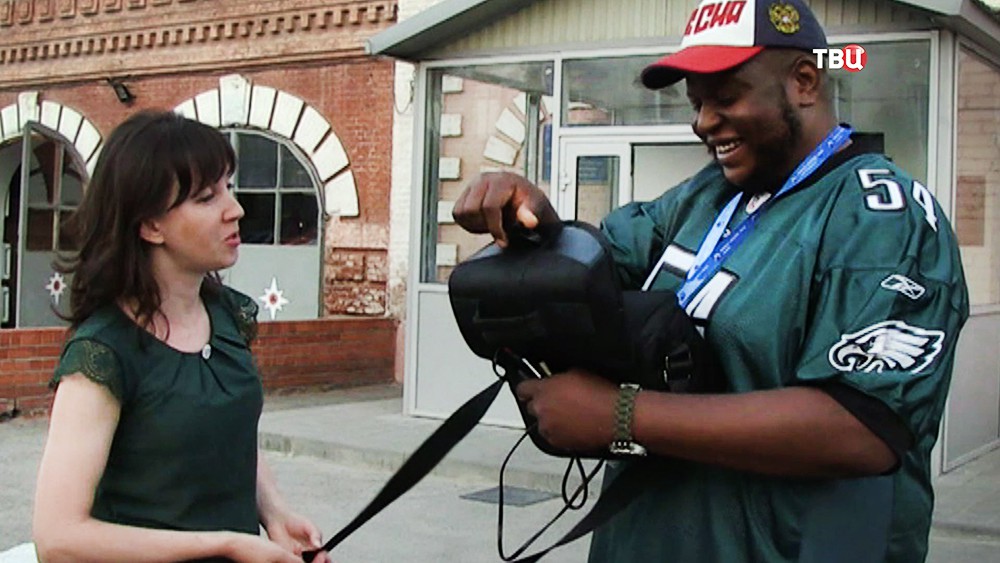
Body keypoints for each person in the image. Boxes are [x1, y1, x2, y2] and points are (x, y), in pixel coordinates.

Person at [452, 0, 969, 561]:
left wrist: (620, 415)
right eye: (696, 103)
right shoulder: (708, 194)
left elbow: (860, 428)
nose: (702, 121)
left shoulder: (881, 214)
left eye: (725, 97)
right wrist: (531, 218)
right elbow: (593, 264)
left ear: (803, 82)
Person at [32, 111, 331, 563]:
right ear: (150, 225)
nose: (236, 209)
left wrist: (274, 513)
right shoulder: (102, 354)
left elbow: (226, 433)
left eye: (228, 187)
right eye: (207, 197)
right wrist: (227, 544)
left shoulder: (229, 318)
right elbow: (58, 538)